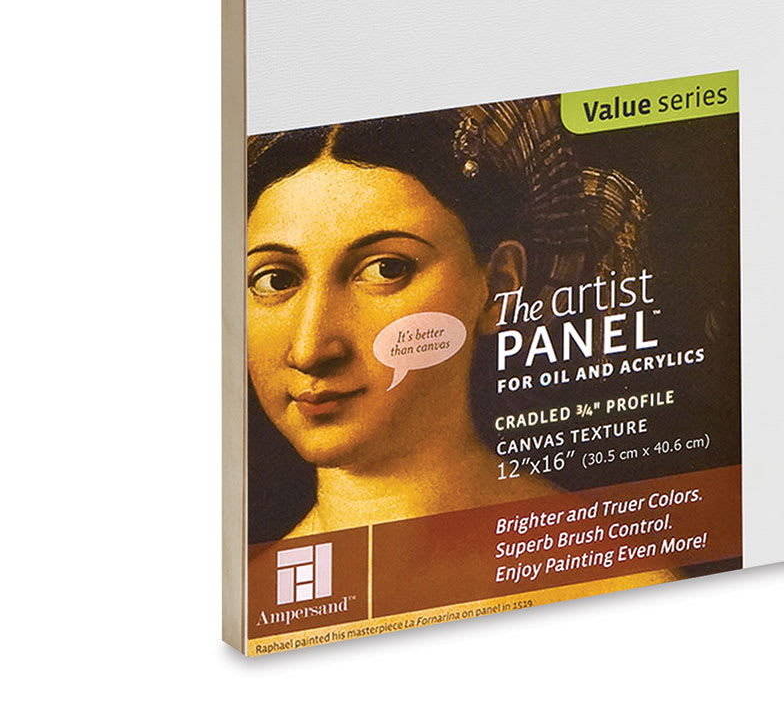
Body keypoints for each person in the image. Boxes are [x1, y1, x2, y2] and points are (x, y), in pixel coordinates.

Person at [245, 98, 660, 550]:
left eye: (386, 269)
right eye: (275, 280)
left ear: (499, 288)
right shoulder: (256, 588)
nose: (310, 350)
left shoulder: (606, 575)